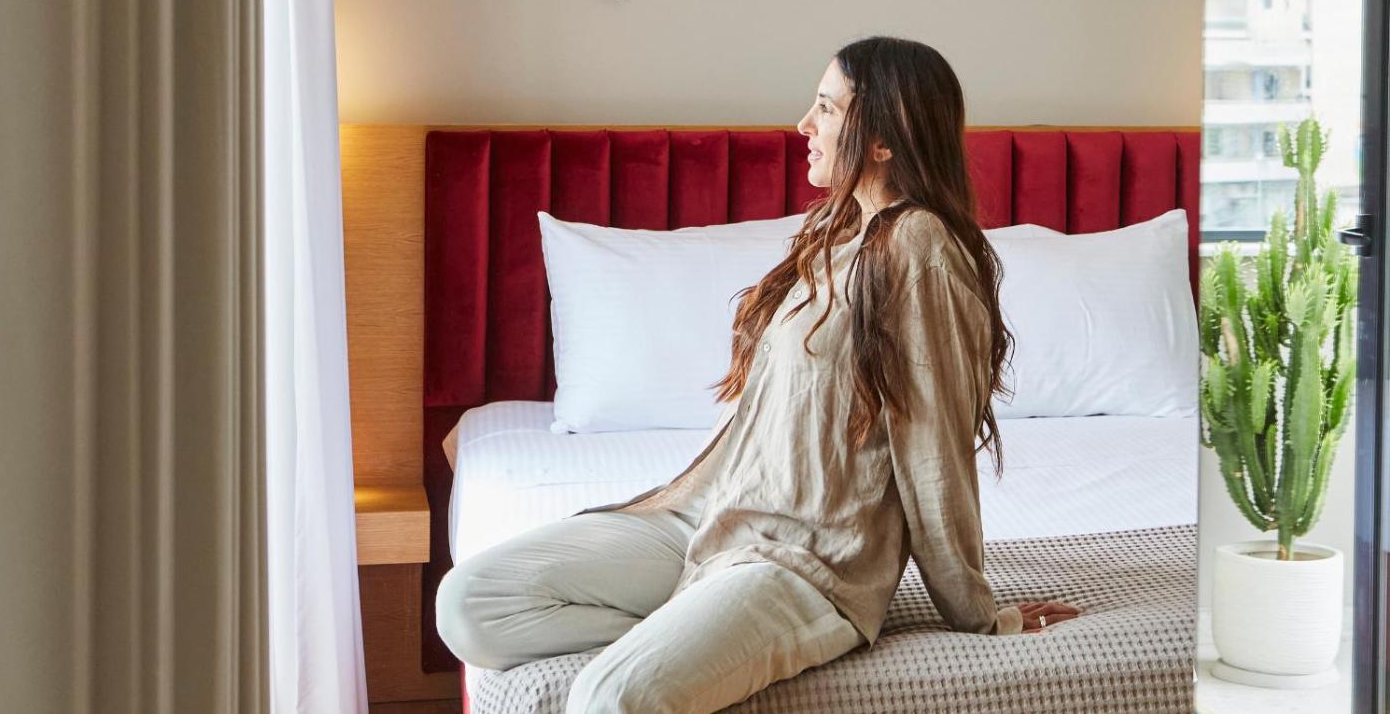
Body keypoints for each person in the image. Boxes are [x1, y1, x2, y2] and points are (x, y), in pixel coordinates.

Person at [436, 36, 1083, 713]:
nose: (804, 124)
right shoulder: (835, 234)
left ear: (884, 140)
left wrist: (977, 611)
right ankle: (691, 631)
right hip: (709, 514)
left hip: (807, 556)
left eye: (826, 108)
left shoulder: (919, 245)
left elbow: (933, 446)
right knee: (470, 605)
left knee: (610, 696)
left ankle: (700, 635)